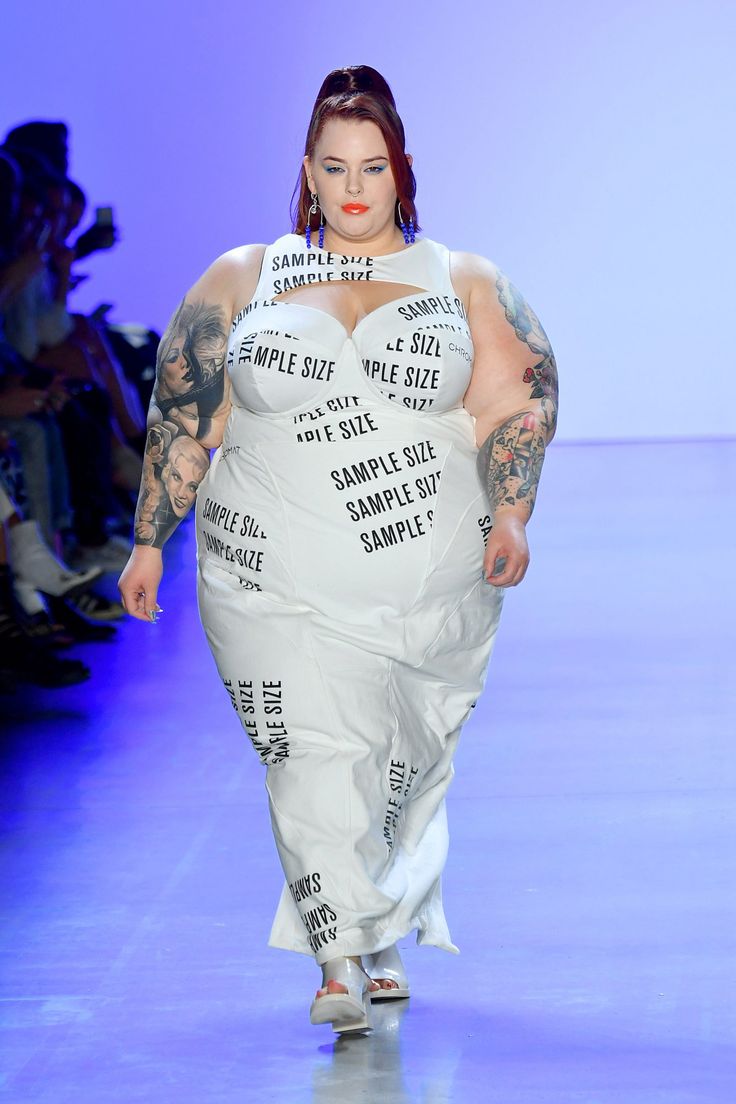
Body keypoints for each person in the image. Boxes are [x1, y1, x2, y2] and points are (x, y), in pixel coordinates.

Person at [118, 65, 558, 1035]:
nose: (354, 187)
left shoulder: (465, 281)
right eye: (333, 166)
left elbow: (514, 402)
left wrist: (513, 514)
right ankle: (335, 959)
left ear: (401, 171)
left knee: (400, 757)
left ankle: (381, 927)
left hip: (427, 583)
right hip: (269, 574)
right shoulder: (244, 276)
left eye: (372, 165)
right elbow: (185, 416)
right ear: (306, 175)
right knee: (312, 755)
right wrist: (150, 537)